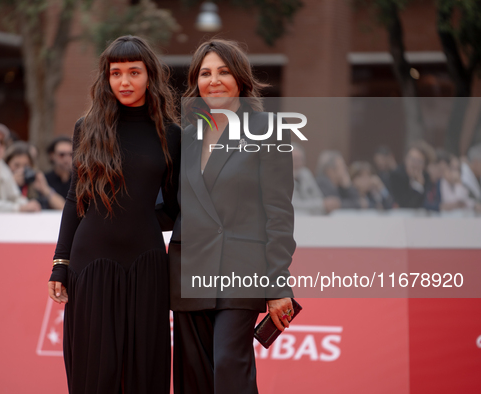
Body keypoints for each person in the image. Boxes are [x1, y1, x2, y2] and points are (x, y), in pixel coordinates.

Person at [47, 36, 180, 394]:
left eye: (134, 72)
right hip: (91, 262)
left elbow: (175, 206)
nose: (124, 82)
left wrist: (142, 221)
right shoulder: (87, 128)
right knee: (94, 370)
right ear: (106, 78)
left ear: (150, 75)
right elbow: (76, 198)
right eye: (115, 73)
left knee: (144, 370)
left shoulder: (170, 134)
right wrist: (61, 261)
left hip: (148, 265)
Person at [169, 39, 296, 394]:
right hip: (190, 266)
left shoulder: (266, 131)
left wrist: (277, 283)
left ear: (240, 78)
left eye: (223, 71)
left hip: (243, 268)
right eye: (205, 73)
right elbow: (173, 204)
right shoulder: (188, 136)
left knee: (228, 364)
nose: (214, 81)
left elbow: (279, 214)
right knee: (193, 376)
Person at [4, 141, 65, 210]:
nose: (21, 170)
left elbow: (62, 207)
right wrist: (11, 183)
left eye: (26, 165)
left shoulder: (34, 183)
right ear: (7, 164)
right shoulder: (1, 181)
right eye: (16, 165)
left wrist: (45, 189)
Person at [389, 141, 434, 209]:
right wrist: (418, 185)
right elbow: (405, 205)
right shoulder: (397, 175)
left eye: (419, 161)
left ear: (425, 165)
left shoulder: (426, 177)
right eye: (412, 159)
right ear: (405, 159)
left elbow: (427, 203)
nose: (414, 164)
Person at [291, 142, 325, 215]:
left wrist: (321, 204)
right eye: (295, 159)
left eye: (301, 159)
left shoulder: (306, 173)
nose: (298, 163)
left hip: (312, 218)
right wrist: (320, 205)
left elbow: (318, 196)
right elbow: (293, 205)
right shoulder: (280, 179)